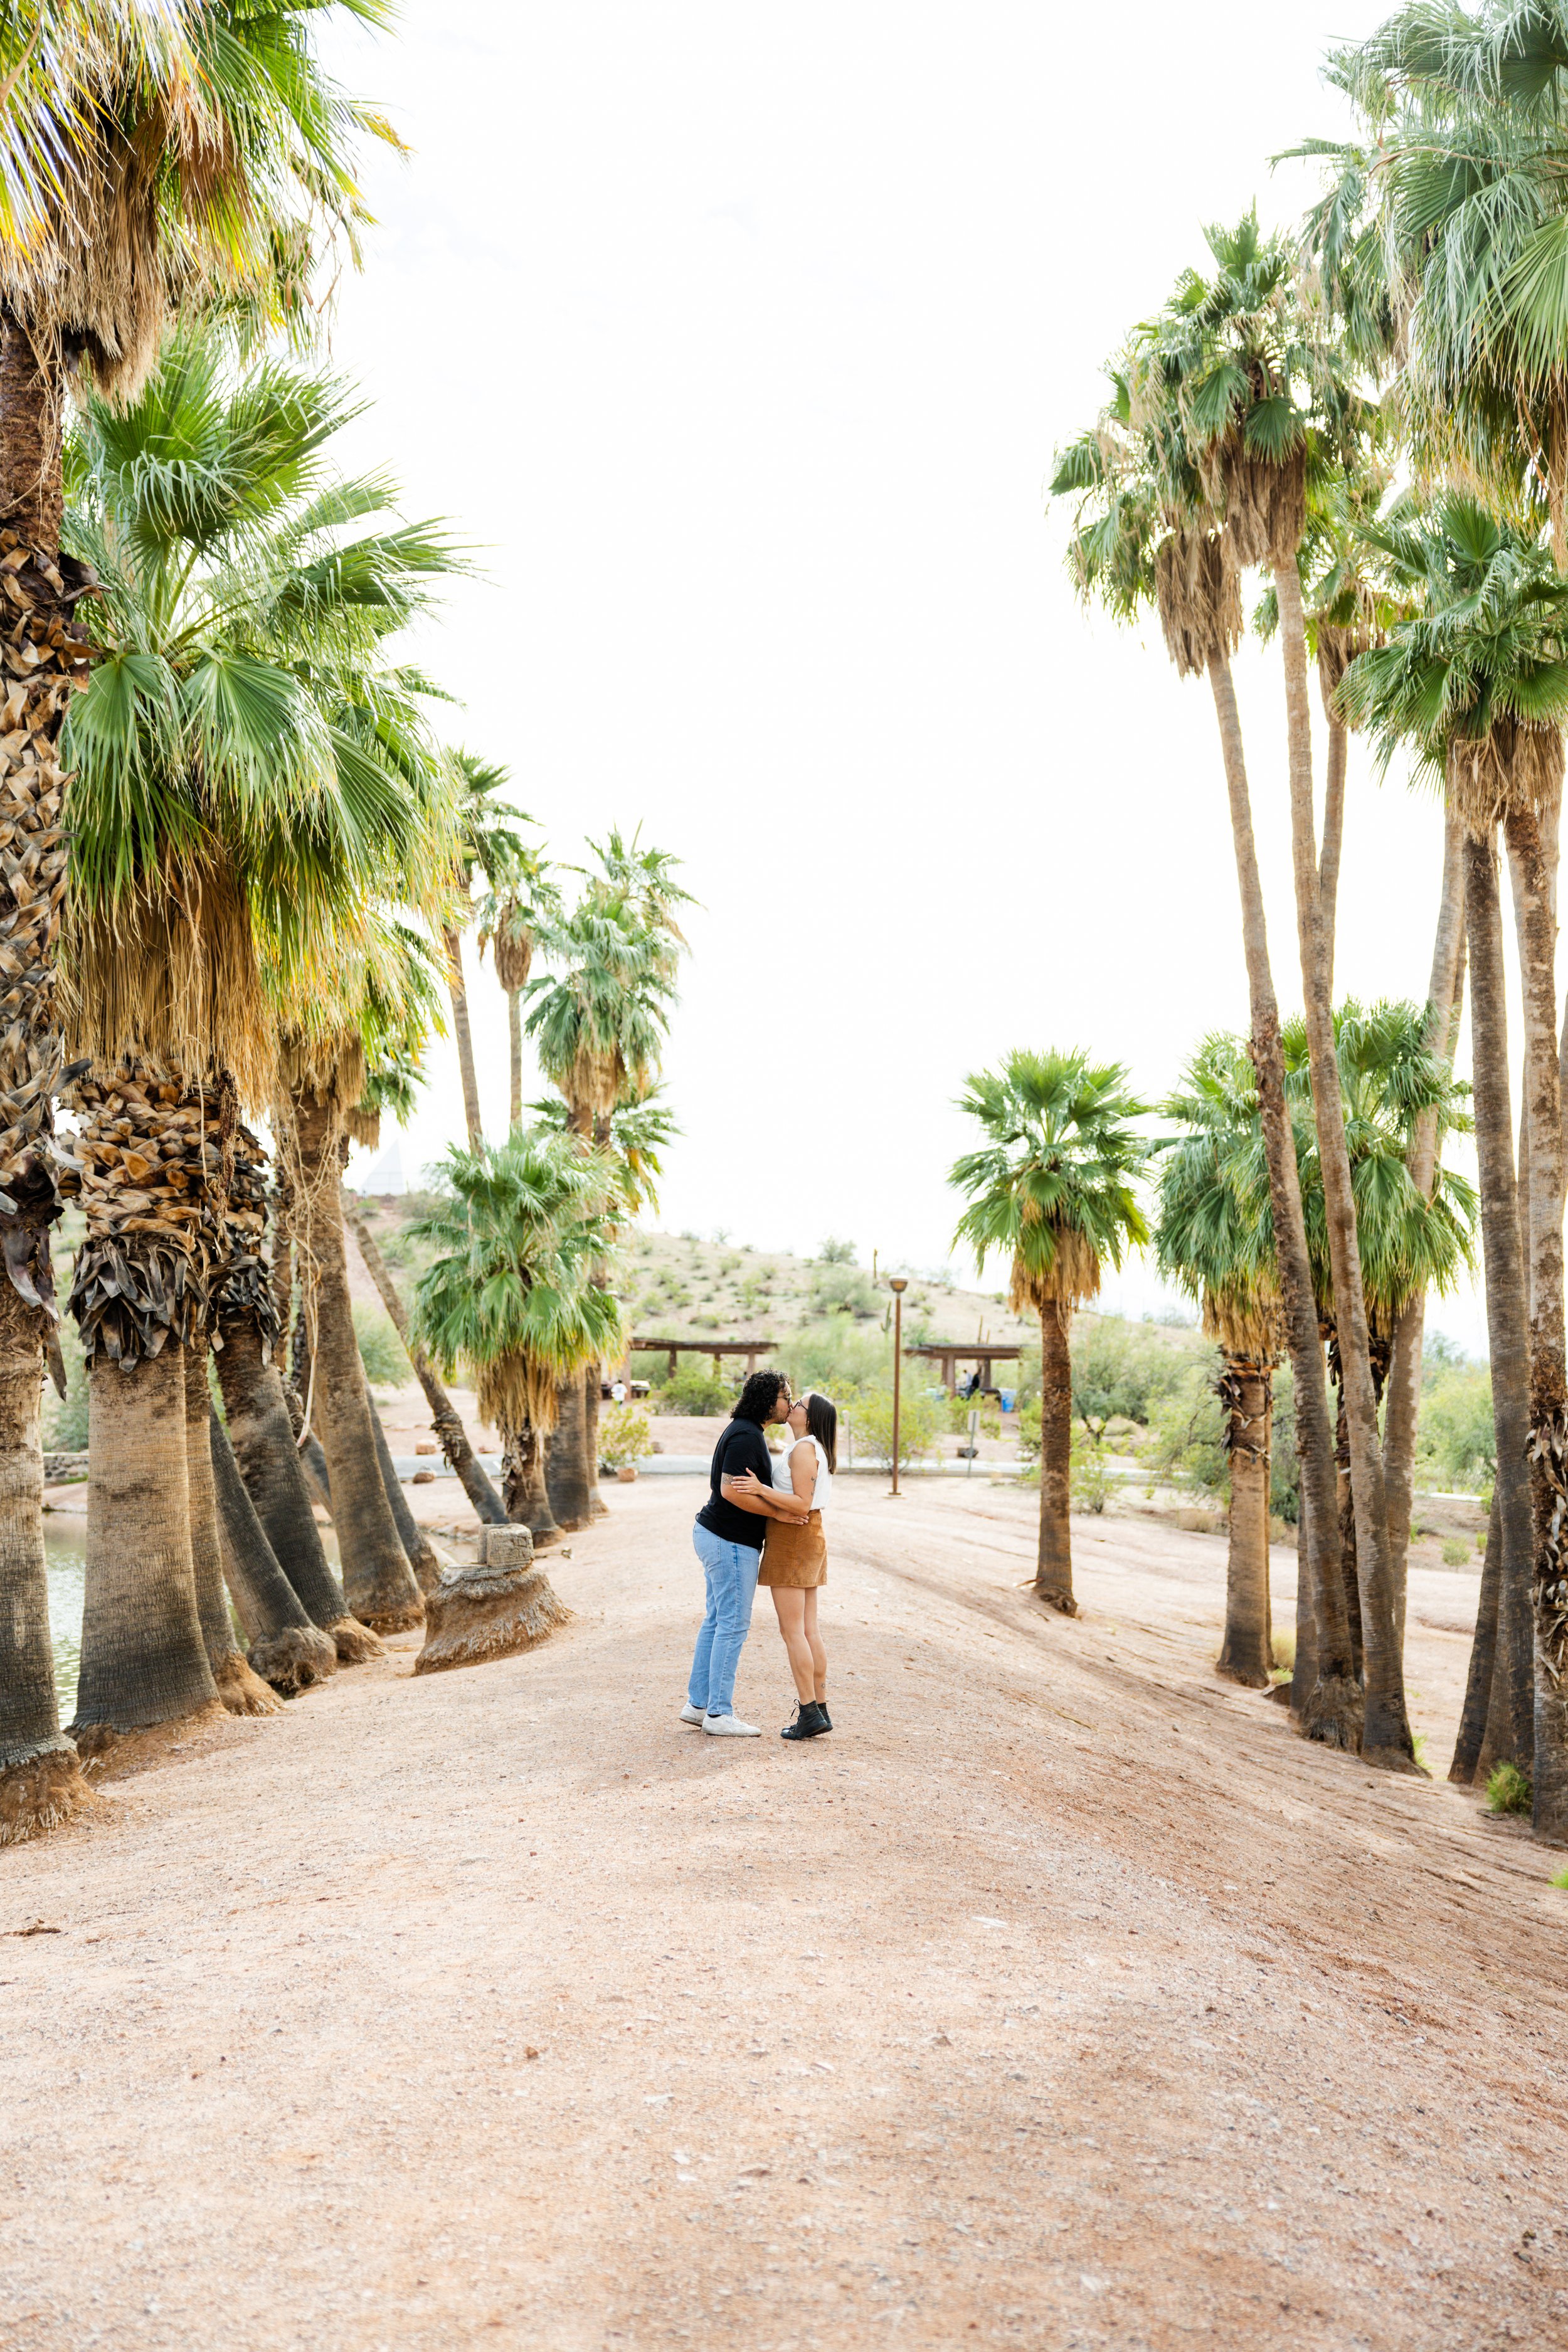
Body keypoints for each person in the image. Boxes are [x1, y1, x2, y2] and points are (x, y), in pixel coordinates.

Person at [682, 1369, 807, 1737]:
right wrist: (779, 1512)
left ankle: (698, 1705)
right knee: (732, 1624)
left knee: (716, 1620)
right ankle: (718, 1714)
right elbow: (731, 1491)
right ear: (770, 1400)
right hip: (730, 1541)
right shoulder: (746, 1435)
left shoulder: (745, 1431)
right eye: (787, 1397)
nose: (790, 1404)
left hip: (718, 1537)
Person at [731, 1390, 837, 1740]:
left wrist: (760, 1489)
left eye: (800, 1404)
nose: (792, 1406)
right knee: (808, 1629)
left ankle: (809, 1711)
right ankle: (819, 1709)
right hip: (807, 1537)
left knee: (794, 1631)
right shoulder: (807, 1447)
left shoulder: (805, 1449)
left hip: (795, 1537)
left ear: (809, 1417)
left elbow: (801, 1504)